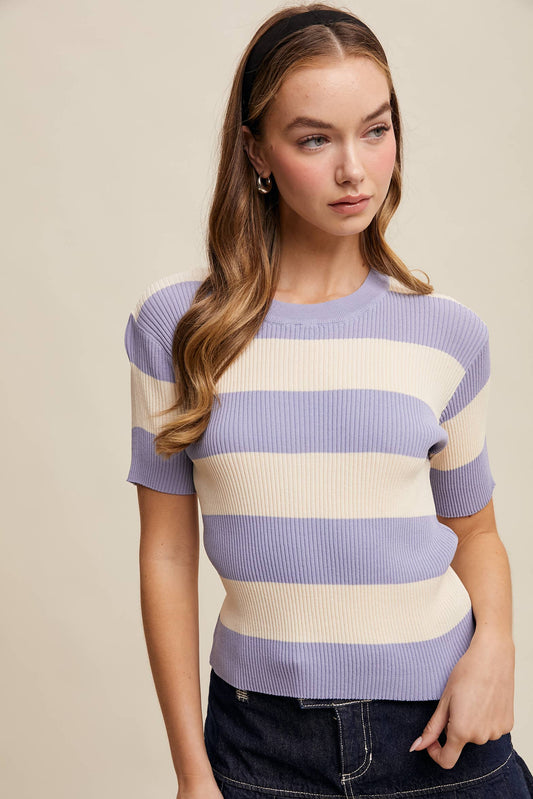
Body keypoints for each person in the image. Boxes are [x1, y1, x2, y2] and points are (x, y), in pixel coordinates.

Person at [124, 4, 533, 798]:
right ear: (256, 151)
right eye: (315, 139)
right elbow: (166, 553)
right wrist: (191, 772)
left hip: (440, 731)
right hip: (257, 745)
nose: (355, 170)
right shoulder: (176, 327)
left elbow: (475, 530)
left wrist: (496, 651)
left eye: (374, 130)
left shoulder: (447, 332)